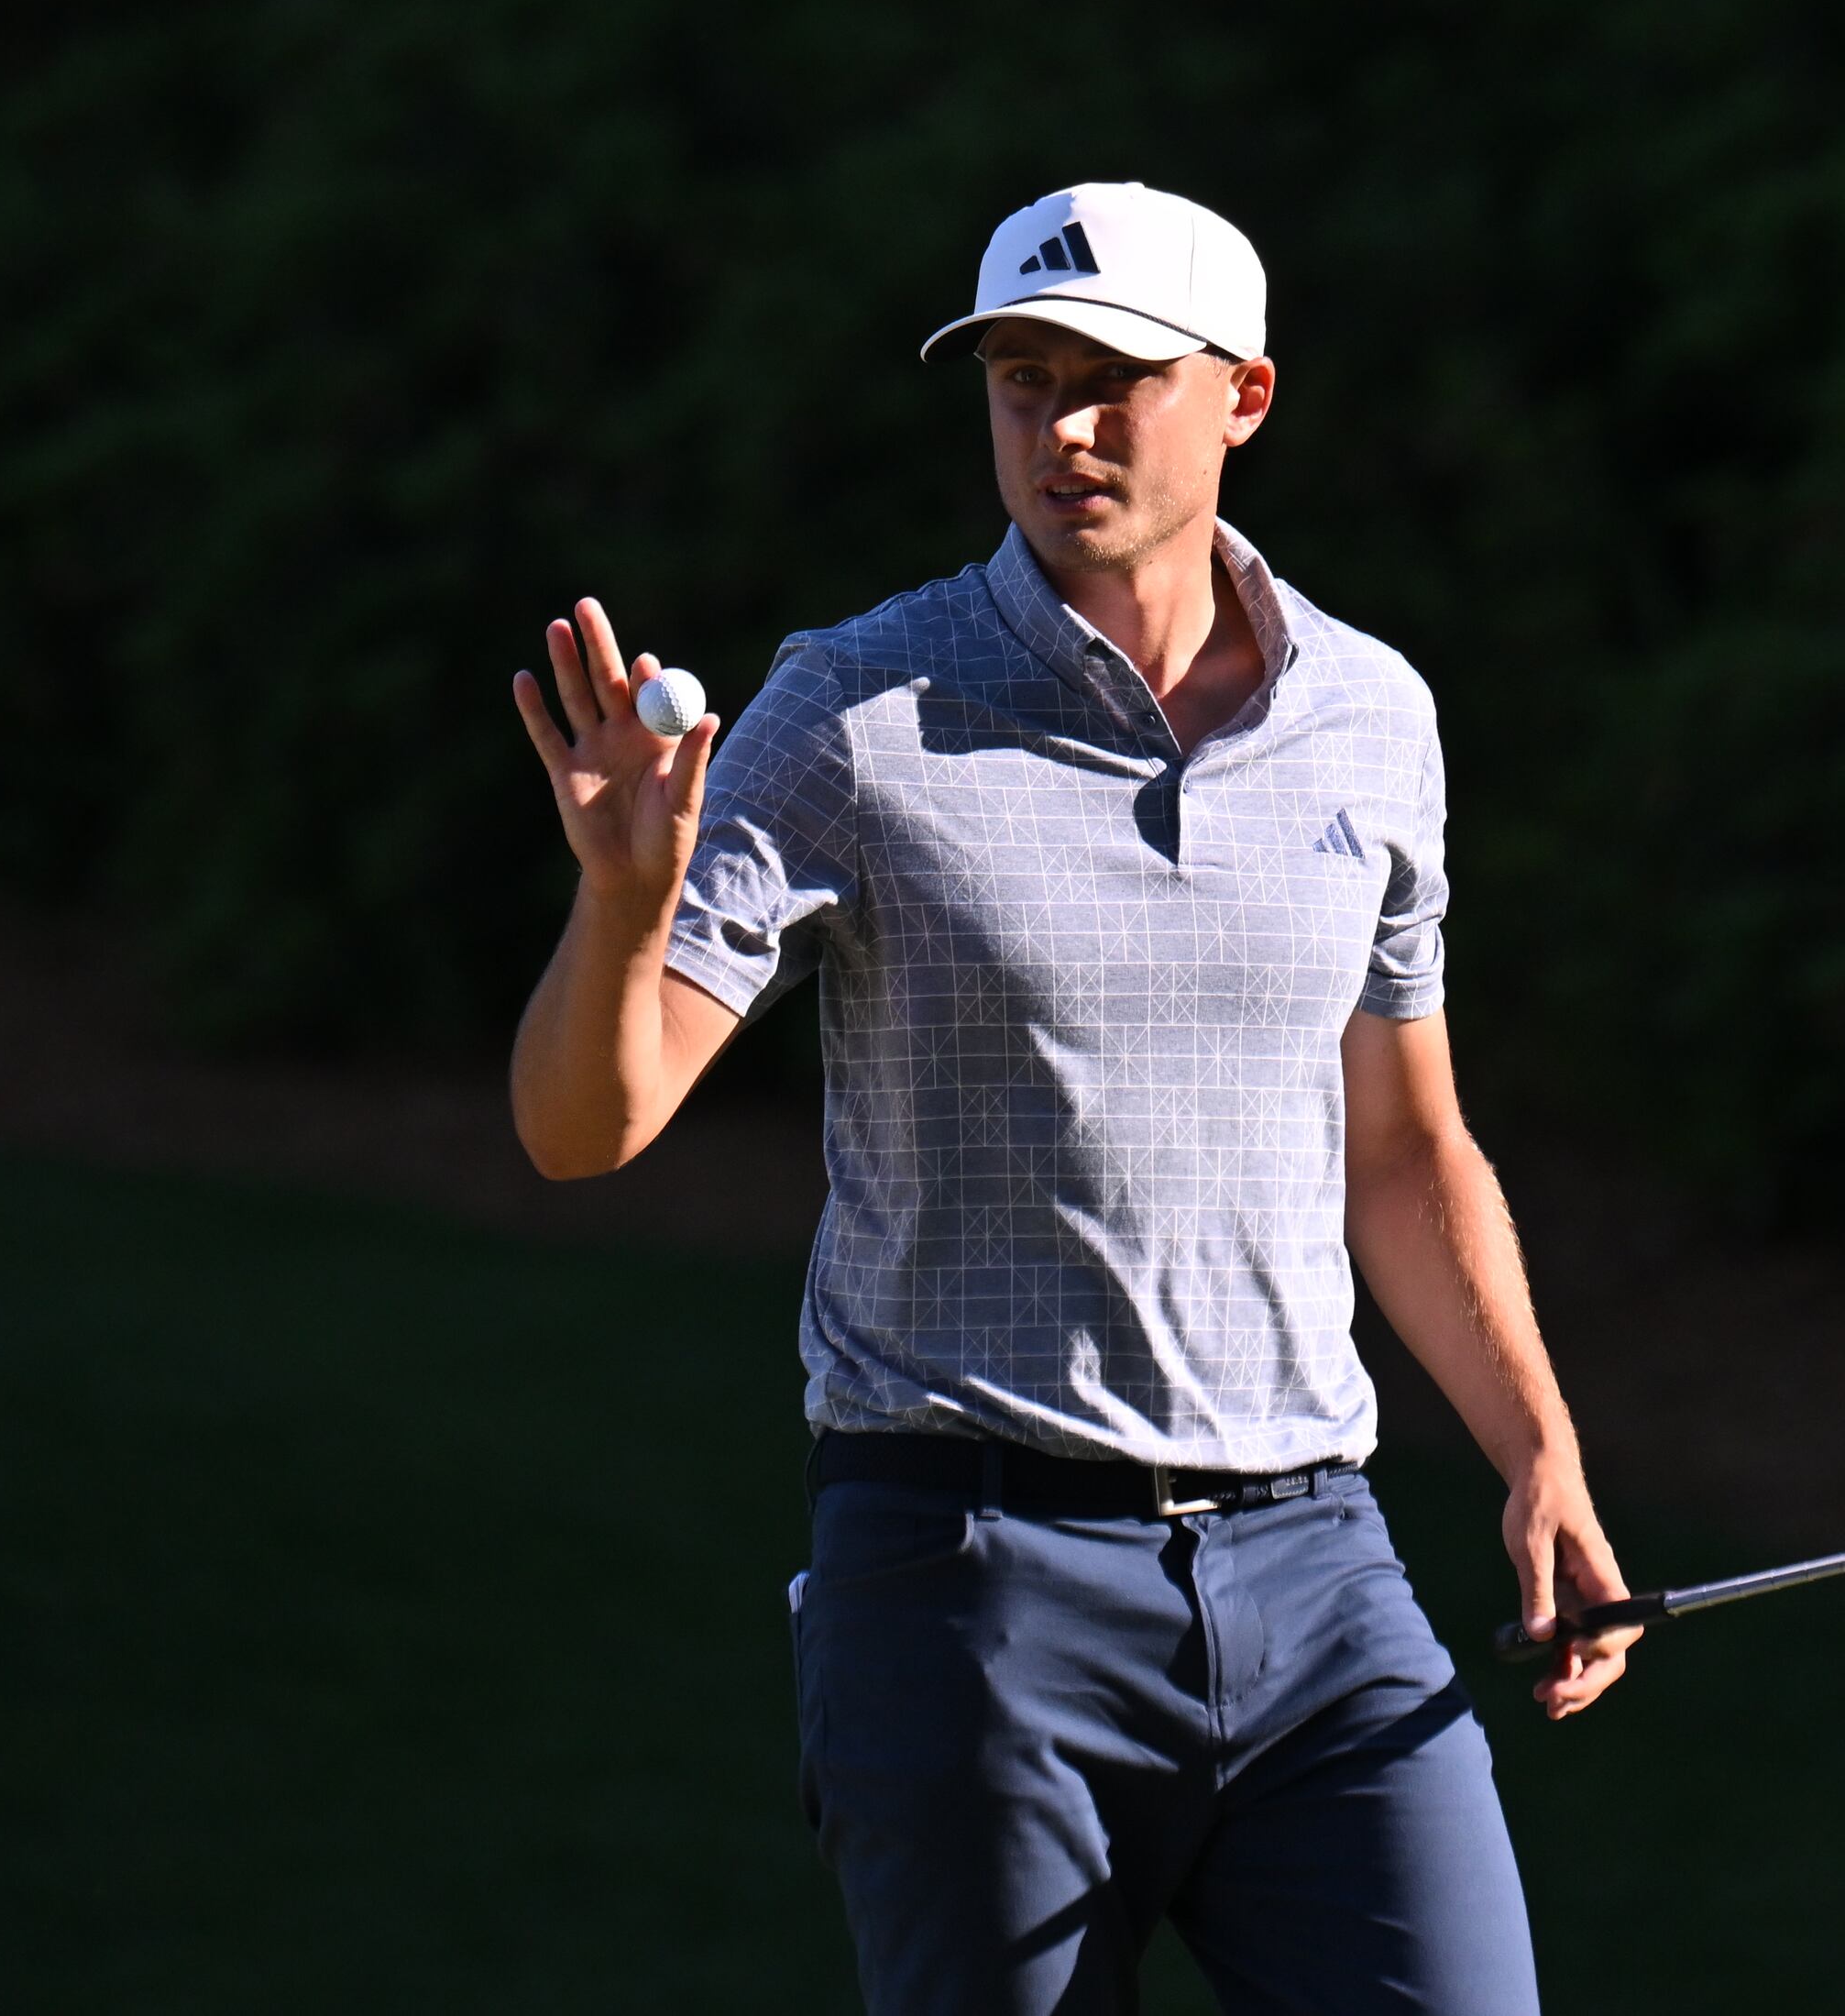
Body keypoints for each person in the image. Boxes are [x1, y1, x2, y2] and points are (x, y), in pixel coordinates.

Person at [508, 182, 1633, 2014]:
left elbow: (1409, 1140)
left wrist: (1538, 1450)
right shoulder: (852, 711)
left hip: (1319, 1574)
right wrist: (623, 905)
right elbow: (583, 1125)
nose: (1065, 431)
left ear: (1247, 398)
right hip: (969, 1586)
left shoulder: (1374, 716)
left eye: (1115, 380)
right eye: (1024, 383)